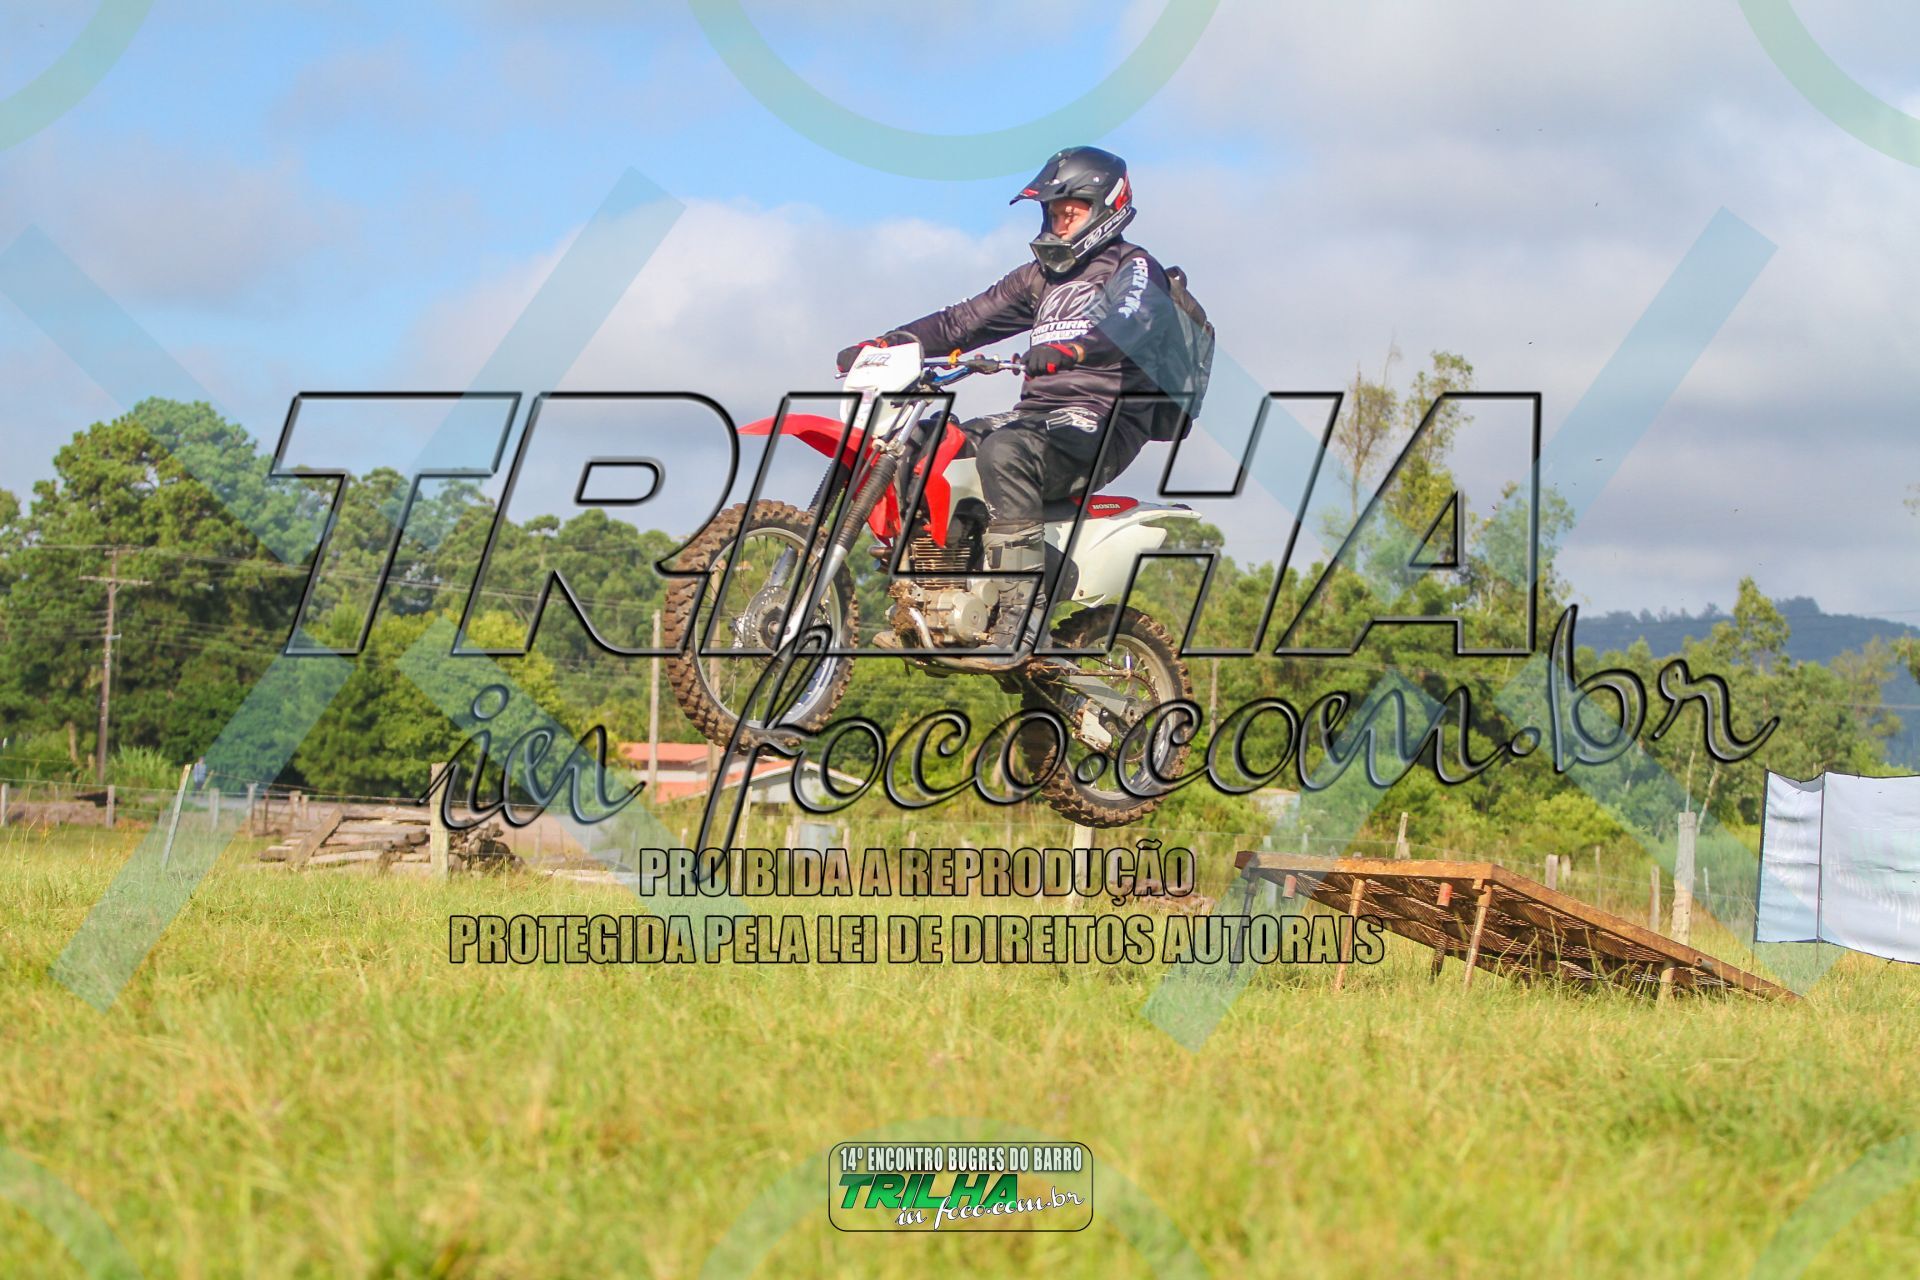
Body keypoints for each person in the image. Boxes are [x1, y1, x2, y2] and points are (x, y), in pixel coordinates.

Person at [837, 145, 1176, 648]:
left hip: (1101, 420)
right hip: (1038, 418)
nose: (1060, 223)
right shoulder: (1039, 277)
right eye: (1054, 213)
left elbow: (1132, 319)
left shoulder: (1134, 266)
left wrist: (1075, 349)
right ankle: (931, 590)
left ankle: (1023, 613)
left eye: (1071, 212)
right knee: (926, 445)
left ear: (1107, 207)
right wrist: (883, 345)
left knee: (1005, 451)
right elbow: (960, 322)